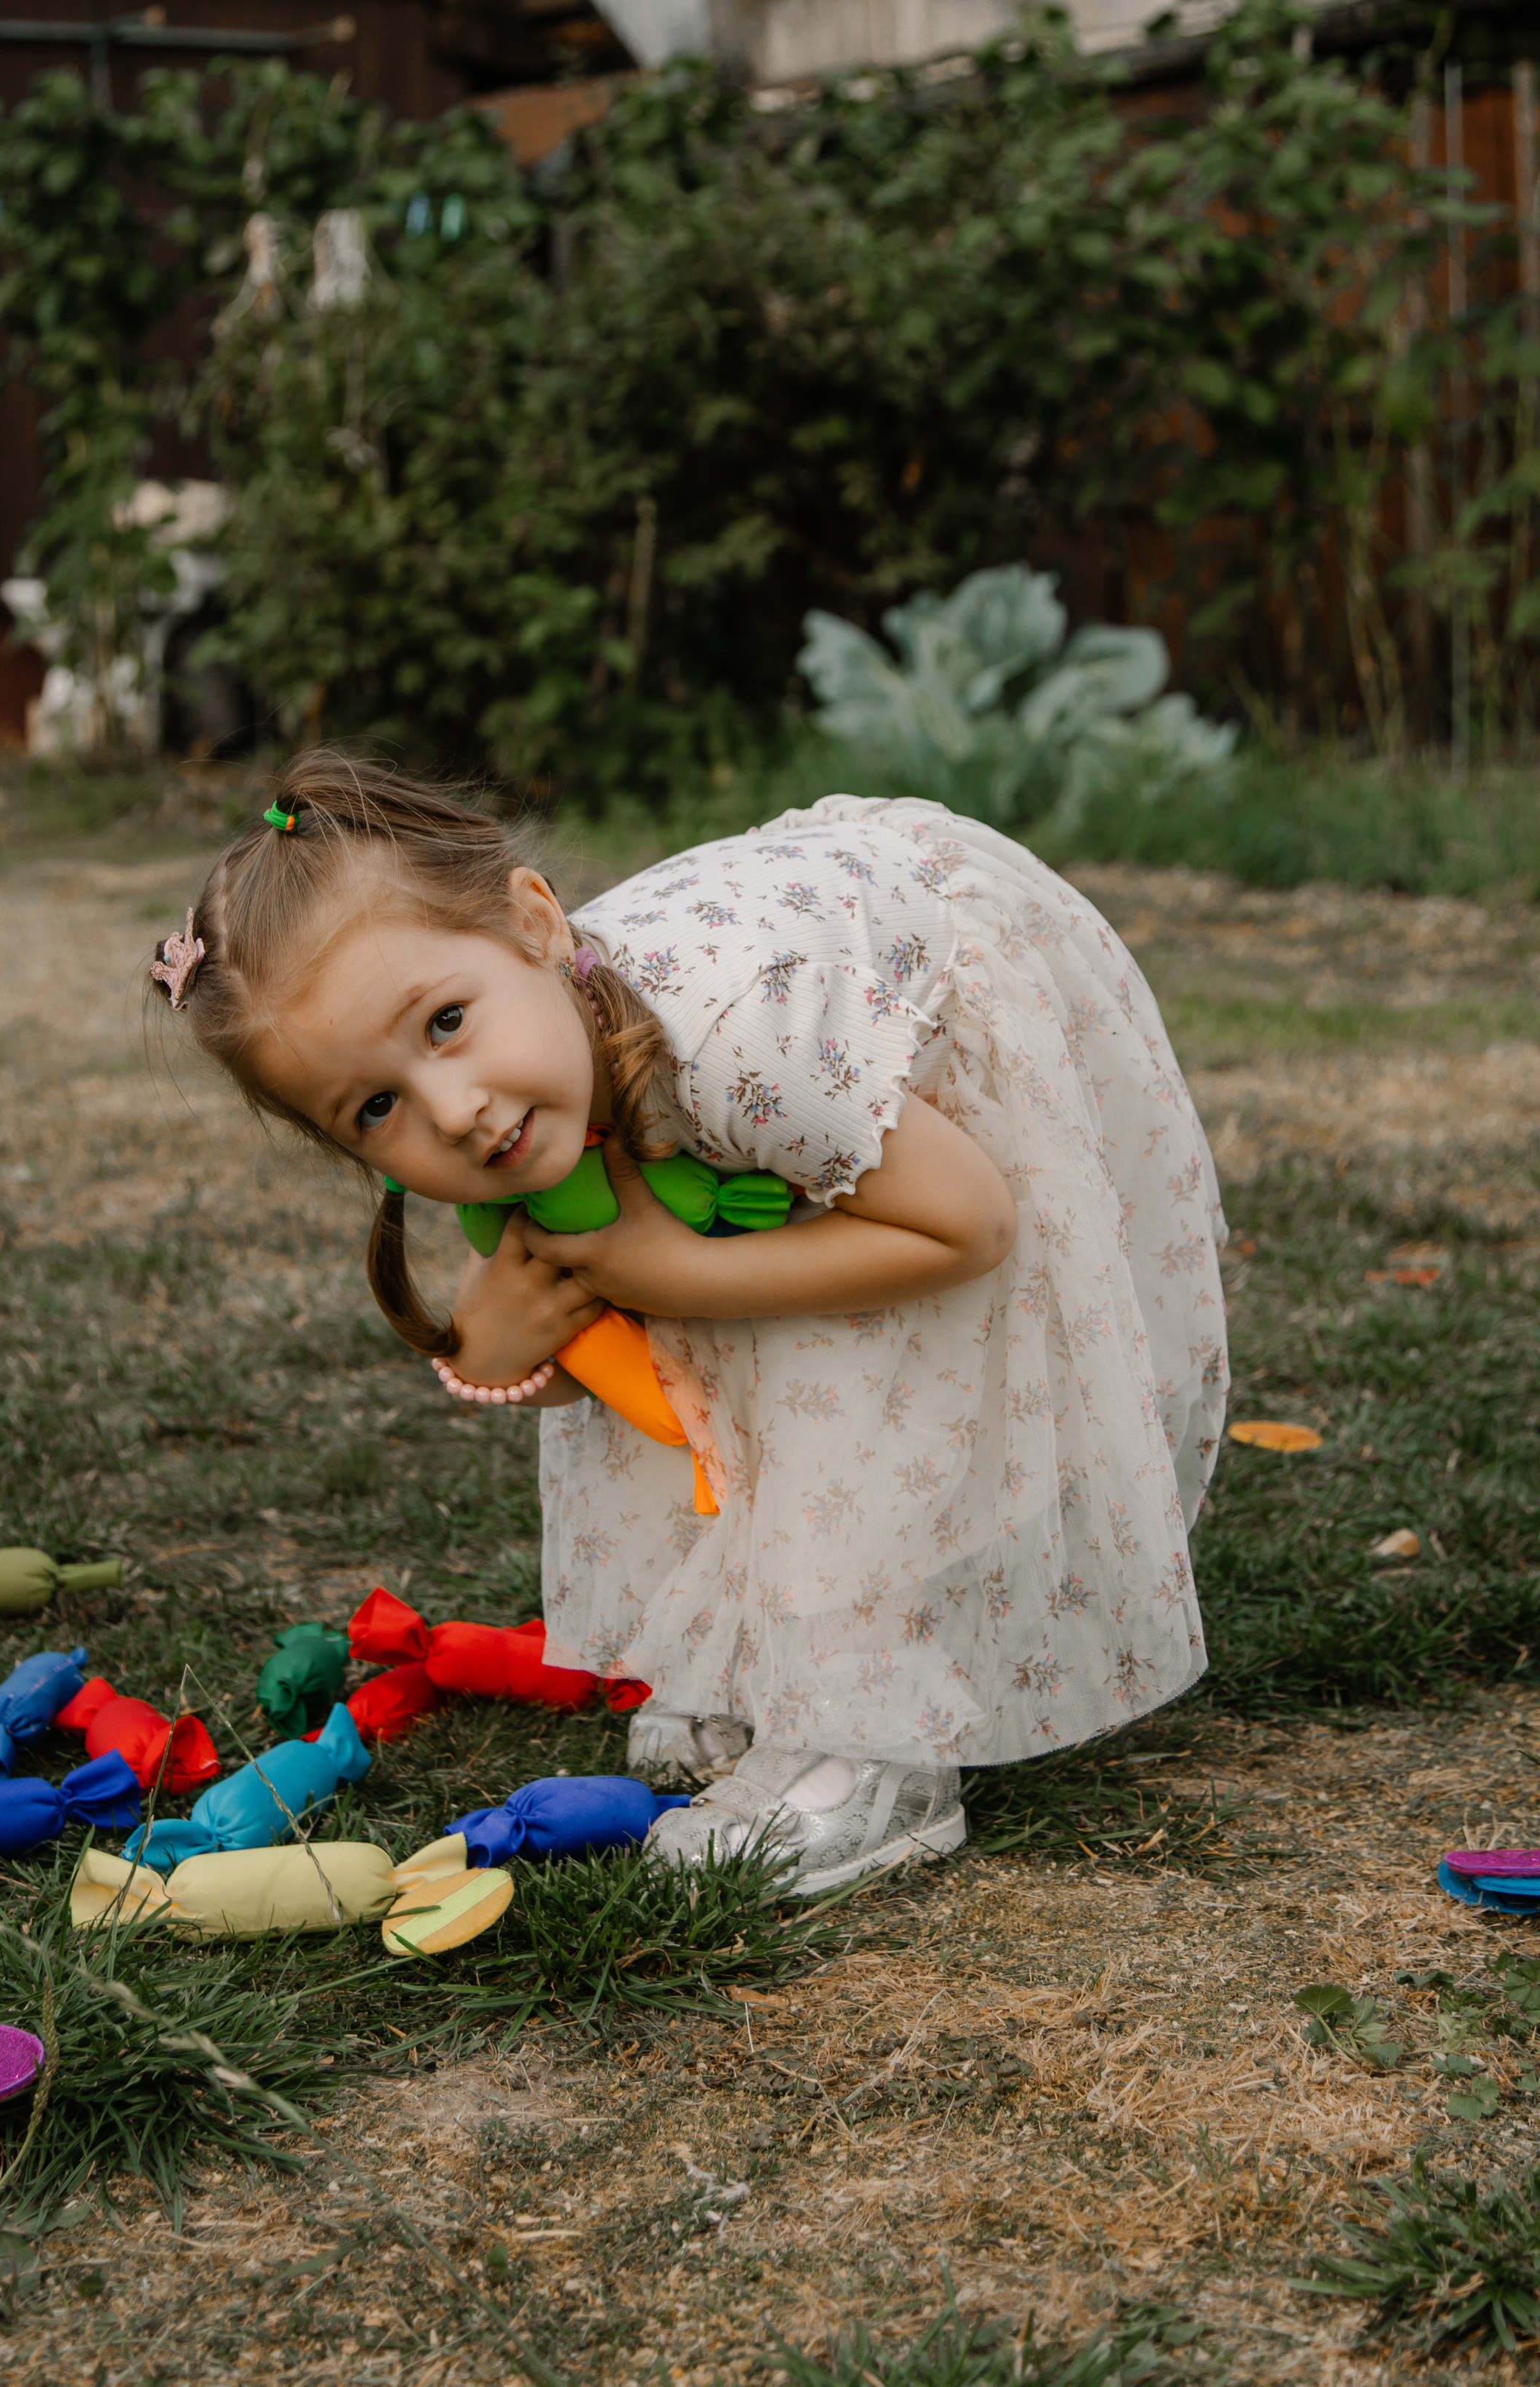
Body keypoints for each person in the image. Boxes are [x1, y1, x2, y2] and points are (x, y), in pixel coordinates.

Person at [150, 750, 1228, 1896]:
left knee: (832, 1329)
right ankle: (772, 1656)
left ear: (534, 927)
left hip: (918, 1028)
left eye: (447, 1023)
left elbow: (967, 1227)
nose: (453, 1111)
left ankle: (876, 1754)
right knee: (726, 1299)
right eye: (376, 1108)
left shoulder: (742, 1040)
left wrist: (662, 1266)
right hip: (746, 1071)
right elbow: (628, 1372)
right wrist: (497, 1351)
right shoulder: (529, 1094)